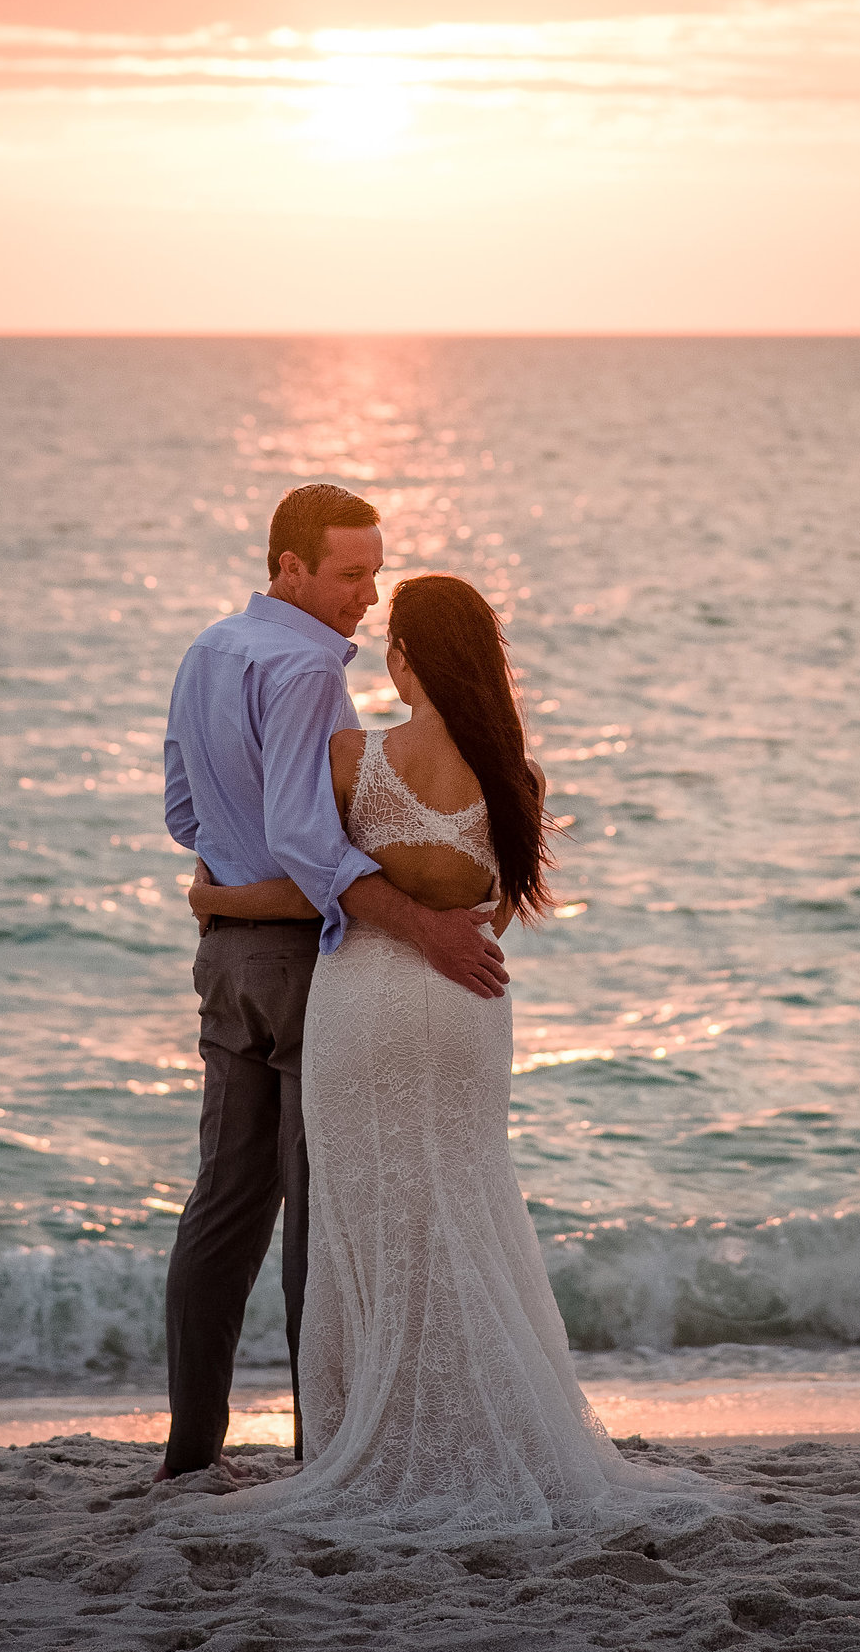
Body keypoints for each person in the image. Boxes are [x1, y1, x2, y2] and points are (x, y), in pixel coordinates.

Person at [186, 568, 695, 1536]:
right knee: (466, 1202)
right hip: (467, 1004)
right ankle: (490, 1422)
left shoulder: (351, 757)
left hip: (362, 1004)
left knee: (370, 1216)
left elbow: (312, 888)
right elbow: (487, 919)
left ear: (406, 658)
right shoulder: (517, 778)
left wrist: (212, 897)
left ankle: (369, 1437)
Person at [158, 486, 507, 1481]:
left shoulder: (209, 650)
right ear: (289, 567)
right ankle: (325, 1457)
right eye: (351, 573)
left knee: (223, 1206)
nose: (368, 595)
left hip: (227, 959)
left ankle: (189, 1453)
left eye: (374, 571)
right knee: (321, 1214)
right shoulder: (310, 666)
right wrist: (427, 927)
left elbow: (183, 812)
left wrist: (220, 888)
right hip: (306, 959)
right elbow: (312, 840)